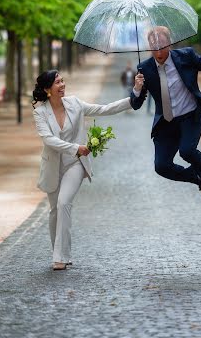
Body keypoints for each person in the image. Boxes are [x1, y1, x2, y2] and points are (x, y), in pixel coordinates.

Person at [32, 69, 143, 270]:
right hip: (53, 165)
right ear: (48, 89)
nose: (63, 85)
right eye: (58, 82)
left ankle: (59, 258)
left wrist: (134, 94)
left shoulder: (75, 103)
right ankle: (61, 251)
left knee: (64, 203)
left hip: (75, 163)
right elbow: (49, 140)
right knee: (55, 212)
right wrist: (76, 147)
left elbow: (104, 109)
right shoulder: (40, 112)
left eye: (63, 80)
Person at [130, 26, 201, 209]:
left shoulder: (186, 56)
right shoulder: (144, 68)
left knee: (187, 151)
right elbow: (136, 104)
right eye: (154, 46)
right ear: (149, 47)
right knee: (162, 166)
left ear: (170, 43)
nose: (158, 50)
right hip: (166, 123)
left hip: (190, 117)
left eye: (162, 44)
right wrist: (136, 88)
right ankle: (199, 180)